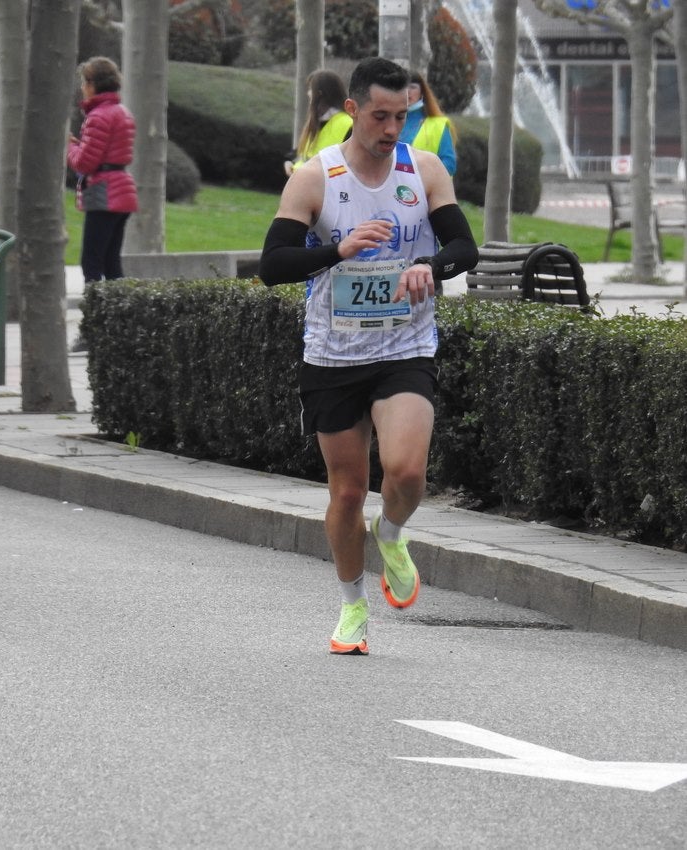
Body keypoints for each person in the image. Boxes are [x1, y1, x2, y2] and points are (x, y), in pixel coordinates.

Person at [258, 56, 478, 656]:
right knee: (348, 492)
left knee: (406, 473)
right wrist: (336, 249)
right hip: (333, 355)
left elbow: (465, 246)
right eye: (380, 116)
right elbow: (272, 266)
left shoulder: (422, 169)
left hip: (405, 346)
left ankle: (395, 531)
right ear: (353, 110)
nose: (391, 129)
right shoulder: (315, 177)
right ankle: (352, 605)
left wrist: (430, 268)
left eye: (401, 116)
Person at [67, 56, 137, 286]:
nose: (82, 89)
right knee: (111, 262)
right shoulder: (121, 112)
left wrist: (68, 146)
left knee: (92, 262)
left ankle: (96, 315)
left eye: (84, 83)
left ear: (92, 84)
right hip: (122, 188)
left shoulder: (97, 117)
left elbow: (85, 164)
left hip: (103, 191)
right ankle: (121, 315)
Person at [284, 69, 352, 177]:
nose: (308, 94)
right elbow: (301, 154)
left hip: (323, 190)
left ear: (320, 94)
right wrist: (289, 163)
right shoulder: (317, 122)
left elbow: (349, 168)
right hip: (303, 186)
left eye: (311, 89)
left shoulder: (348, 124)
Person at [401, 70, 457, 176]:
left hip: (426, 188)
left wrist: (422, 174)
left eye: (412, 87)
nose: (407, 91)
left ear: (422, 92)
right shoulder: (387, 122)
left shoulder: (438, 125)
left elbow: (449, 164)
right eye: (403, 87)